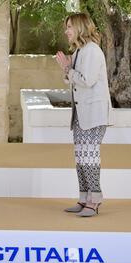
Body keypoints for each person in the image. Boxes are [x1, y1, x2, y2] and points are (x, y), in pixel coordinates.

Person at [55, 13, 113, 217]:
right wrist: (68, 69)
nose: (66, 31)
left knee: (89, 156)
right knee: (81, 157)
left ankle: (95, 200)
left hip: (94, 114)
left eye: (69, 26)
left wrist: (67, 68)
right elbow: (73, 80)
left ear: (80, 28)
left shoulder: (92, 51)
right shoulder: (80, 51)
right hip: (81, 114)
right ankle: (84, 197)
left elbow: (86, 80)